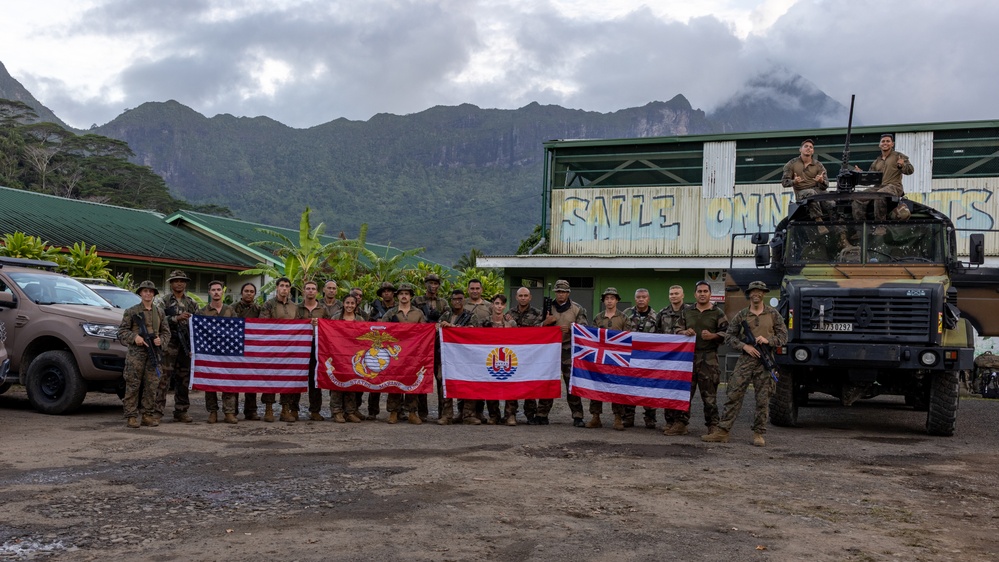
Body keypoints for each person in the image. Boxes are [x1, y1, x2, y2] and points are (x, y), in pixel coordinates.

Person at [702, 281, 787, 447]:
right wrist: (744, 346)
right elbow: (729, 336)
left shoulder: (773, 314)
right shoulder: (742, 315)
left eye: (759, 291)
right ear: (749, 294)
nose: (756, 294)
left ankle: (758, 433)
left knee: (763, 399)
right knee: (733, 394)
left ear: (764, 294)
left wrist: (768, 340)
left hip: (765, 361)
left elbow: (784, 337)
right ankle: (723, 431)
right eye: (753, 291)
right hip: (745, 360)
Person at [667, 280, 729, 437]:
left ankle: (713, 426)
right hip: (688, 358)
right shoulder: (687, 312)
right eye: (699, 291)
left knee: (709, 396)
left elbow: (727, 334)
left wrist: (713, 335)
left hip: (709, 359)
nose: (702, 294)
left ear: (709, 294)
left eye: (705, 291)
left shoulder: (717, 313)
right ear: (695, 294)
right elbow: (676, 329)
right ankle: (681, 423)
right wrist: (684, 332)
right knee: (684, 393)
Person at [117, 280, 170, 428]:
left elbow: (166, 332)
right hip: (136, 354)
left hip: (154, 352)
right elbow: (122, 331)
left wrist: (161, 341)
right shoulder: (132, 311)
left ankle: (147, 415)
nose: (148, 294)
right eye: (145, 291)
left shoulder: (159, 312)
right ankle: (131, 416)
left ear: (154, 294)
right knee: (133, 385)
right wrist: (135, 338)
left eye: (151, 291)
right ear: (140, 293)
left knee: (152, 385)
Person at [540, 279, 587, 427]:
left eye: (563, 292)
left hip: (569, 350)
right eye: (558, 291)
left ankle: (578, 415)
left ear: (568, 293)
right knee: (548, 383)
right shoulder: (547, 307)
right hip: (550, 351)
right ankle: (542, 414)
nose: (560, 294)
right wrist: (545, 323)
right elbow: (536, 328)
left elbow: (584, 329)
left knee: (571, 383)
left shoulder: (577, 309)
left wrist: (572, 329)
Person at [154, 270, 199, 423]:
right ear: (171, 283)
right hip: (168, 343)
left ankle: (181, 410)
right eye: (176, 281)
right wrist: (175, 318)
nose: (179, 283)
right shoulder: (163, 301)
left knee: (183, 378)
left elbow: (198, 323)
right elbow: (157, 318)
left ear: (185, 283)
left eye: (182, 281)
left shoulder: (191, 303)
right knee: (163, 378)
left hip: (185, 344)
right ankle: (157, 411)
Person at [382, 282, 427, 424]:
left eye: (406, 294)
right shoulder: (391, 313)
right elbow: (382, 330)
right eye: (401, 294)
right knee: (394, 382)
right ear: (397, 296)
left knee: (412, 382)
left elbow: (425, 332)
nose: (404, 296)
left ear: (411, 296)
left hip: (413, 354)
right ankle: (393, 412)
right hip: (395, 353)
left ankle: (412, 412)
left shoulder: (418, 313)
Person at [585, 287, 628, 430]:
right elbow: (592, 337)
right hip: (601, 359)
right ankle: (595, 417)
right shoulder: (598, 317)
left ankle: (618, 418)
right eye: (607, 298)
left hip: (617, 359)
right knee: (597, 387)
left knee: (617, 388)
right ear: (604, 301)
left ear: (616, 300)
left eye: (612, 298)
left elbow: (629, 338)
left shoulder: (623, 318)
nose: (609, 301)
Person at [196, 280, 238, 424]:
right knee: (210, 382)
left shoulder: (230, 311)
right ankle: (212, 412)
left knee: (229, 382)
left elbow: (238, 330)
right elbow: (197, 333)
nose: (216, 292)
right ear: (209, 292)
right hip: (209, 353)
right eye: (213, 290)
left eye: (218, 289)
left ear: (222, 292)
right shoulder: (202, 312)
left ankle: (229, 412)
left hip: (228, 352)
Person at [852, 133, 915, 223]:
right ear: (879, 144)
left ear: (892, 144)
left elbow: (910, 170)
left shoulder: (899, 156)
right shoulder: (876, 162)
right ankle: (861, 228)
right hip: (878, 187)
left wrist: (902, 165)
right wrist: (861, 174)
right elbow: (870, 178)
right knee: (858, 198)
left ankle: (880, 225)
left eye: (888, 141)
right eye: (883, 141)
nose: (885, 143)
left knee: (880, 195)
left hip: (894, 187)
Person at [260, 277, 297, 422]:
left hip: (290, 349)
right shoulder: (268, 305)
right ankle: (268, 409)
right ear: (277, 287)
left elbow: (300, 325)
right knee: (270, 379)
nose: (284, 288)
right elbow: (263, 325)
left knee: (287, 379)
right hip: (272, 349)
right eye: (282, 285)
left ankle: (285, 410)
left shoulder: (295, 307)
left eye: (287, 286)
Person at [476, 294, 517, 425]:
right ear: (492, 304)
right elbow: (475, 338)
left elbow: (518, 341)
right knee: (490, 386)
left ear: (505, 306)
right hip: (489, 359)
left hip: (508, 358)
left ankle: (510, 415)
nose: (499, 307)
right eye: (497, 303)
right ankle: (494, 415)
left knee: (510, 387)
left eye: (502, 304)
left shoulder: (511, 323)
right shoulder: (484, 322)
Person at [622, 288, 659, 429]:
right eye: (638, 297)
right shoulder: (626, 314)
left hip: (649, 360)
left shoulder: (657, 316)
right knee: (629, 387)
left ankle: (650, 418)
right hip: (630, 358)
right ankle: (628, 417)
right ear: (635, 298)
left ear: (648, 299)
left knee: (649, 388)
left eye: (644, 297)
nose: (641, 299)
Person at [781, 138, 833, 233]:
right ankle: (819, 222)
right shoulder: (791, 164)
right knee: (811, 193)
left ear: (813, 151)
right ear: (800, 149)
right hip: (801, 193)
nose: (808, 148)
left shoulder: (818, 165)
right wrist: (794, 182)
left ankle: (836, 227)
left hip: (817, 191)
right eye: (806, 146)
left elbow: (825, 186)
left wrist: (821, 181)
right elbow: (784, 182)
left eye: (811, 147)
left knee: (831, 202)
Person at [508, 287, 543, 424]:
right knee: (512, 383)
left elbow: (541, 330)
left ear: (530, 297)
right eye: (520, 295)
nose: (523, 298)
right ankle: (511, 413)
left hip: (530, 355)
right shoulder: (510, 313)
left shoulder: (537, 313)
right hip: (515, 354)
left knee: (529, 383)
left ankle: (530, 414)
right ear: (516, 297)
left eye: (525, 295)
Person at [438, 289, 473, 424]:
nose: (457, 301)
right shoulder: (445, 315)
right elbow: (437, 328)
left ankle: (468, 415)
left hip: (466, 357)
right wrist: (442, 326)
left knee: (468, 383)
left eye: (460, 299)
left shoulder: (470, 316)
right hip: (447, 357)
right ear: (450, 301)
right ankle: (447, 415)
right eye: (454, 299)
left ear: (464, 300)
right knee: (444, 383)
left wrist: (452, 327)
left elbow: (473, 332)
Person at [296, 280, 329, 422]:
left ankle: (315, 410)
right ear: (303, 291)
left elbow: (330, 327)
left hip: (317, 347)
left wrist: (320, 324)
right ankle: (293, 409)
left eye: (313, 288)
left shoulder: (323, 309)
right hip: (299, 347)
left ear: (317, 292)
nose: (310, 291)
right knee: (297, 379)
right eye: (308, 288)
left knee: (315, 379)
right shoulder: (297, 309)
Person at [658, 284, 689, 431]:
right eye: (671, 294)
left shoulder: (690, 312)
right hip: (667, 358)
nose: (674, 296)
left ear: (683, 295)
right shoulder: (663, 313)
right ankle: (669, 421)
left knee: (681, 389)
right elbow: (656, 335)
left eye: (677, 293)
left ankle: (681, 422)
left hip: (684, 358)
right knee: (667, 389)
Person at [330, 293, 364, 423]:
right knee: (337, 382)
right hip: (337, 355)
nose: (349, 305)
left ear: (356, 305)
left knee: (352, 383)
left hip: (354, 356)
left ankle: (350, 411)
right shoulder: (335, 318)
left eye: (352, 303)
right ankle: (337, 411)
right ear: (343, 304)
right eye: (347, 303)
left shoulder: (360, 320)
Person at [232, 282, 262, 420]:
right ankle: (232, 410)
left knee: (252, 380)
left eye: (251, 291)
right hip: (236, 347)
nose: (248, 293)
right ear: (242, 293)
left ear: (255, 294)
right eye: (246, 291)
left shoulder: (259, 309)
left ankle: (251, 411)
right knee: (235, 380)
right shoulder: (232, 309)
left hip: (253, 349)